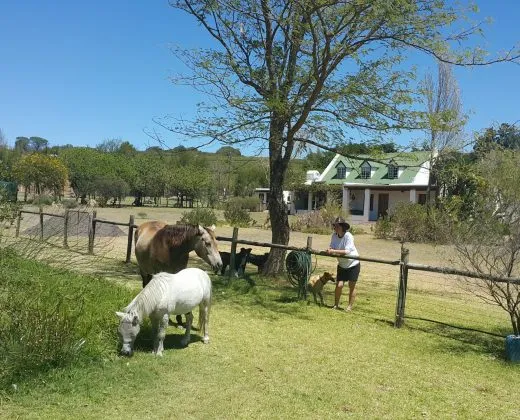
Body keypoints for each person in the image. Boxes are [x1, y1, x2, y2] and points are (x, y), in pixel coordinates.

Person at [326, 216, 360, 311]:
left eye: (337, 226)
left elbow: (347, 251)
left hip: (353, 264)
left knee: (351, 286)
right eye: (335, 226)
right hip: (341, 264)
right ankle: (336, 305)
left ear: (342, 227)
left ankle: (349, 306)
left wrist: (333, 251)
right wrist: (329, 250)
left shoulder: (348, 236)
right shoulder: (334, 236)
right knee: (339, 285)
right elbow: (332, 246)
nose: (335, 228)